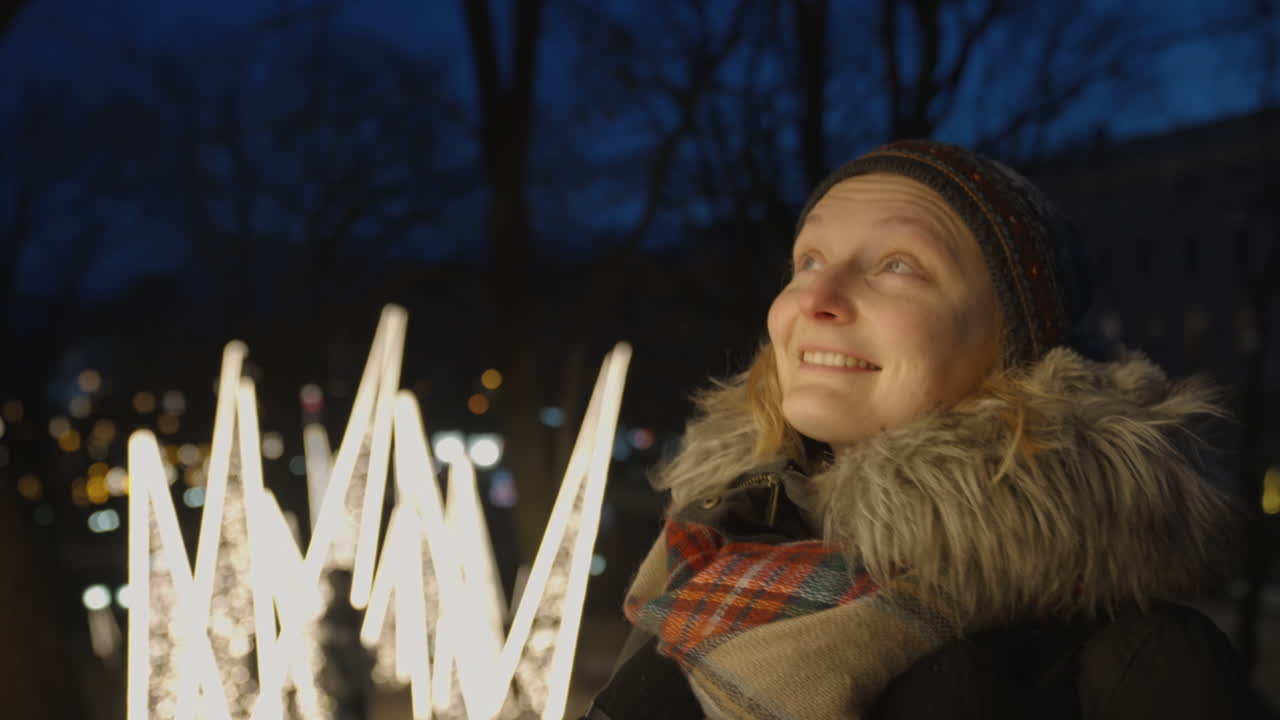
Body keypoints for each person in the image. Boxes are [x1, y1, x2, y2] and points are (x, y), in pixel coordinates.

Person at [583, 139, 1251, 719]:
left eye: (897, 265)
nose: (815, 299)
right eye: (809, 259)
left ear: (1017, 348)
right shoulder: (711, 545)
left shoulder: (1140, 660)